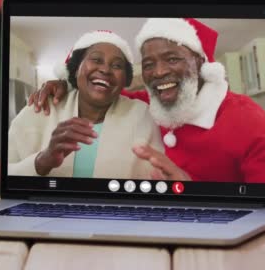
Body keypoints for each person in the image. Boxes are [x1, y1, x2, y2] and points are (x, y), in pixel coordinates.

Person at [28, 19, 265, 184]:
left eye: (173, 59)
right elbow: (104, 94)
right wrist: (68, 82)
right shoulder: (145, 103)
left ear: (200, 63)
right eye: (149, 64)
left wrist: (196, 192)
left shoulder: (245, 117)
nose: (158, 72)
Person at [9, 30, 163, 178]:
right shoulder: (40, 108)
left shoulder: (142, 115)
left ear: (125, 80)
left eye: (117, 65)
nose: (105, 69)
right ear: (76, 69)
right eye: (96, 60)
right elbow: (2, 176)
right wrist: (41, 161)